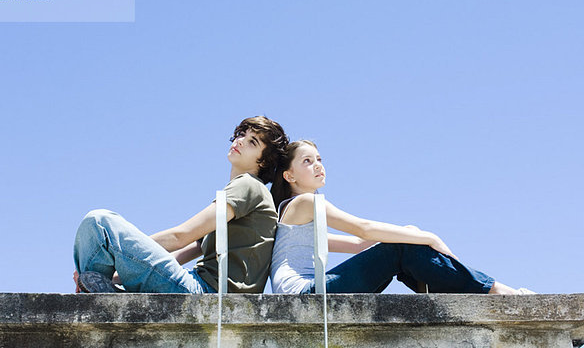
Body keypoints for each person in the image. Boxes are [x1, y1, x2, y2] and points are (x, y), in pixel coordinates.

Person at [270, 140, 534, 295]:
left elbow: (360, 246)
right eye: (306, 161)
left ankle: (460, 289)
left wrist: (410, 232)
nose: (317, 164)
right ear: (289, 176)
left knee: (403, 246)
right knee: (401, 248)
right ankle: (496, 291)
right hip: (305, 294)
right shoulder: (304, 203)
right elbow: (363, 229)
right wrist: (427, 237)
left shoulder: (299, 221)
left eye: (319, 158)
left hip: (310, 291)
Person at [73, 116, 288, 294]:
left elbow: (181, 236)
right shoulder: (244, 193)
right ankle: (101, 291)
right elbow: (183, 253)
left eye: (253, 142)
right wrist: (115, 274)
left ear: (264, 161)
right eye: (242, 134)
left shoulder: (248, 186)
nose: (240, 141)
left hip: (204, 291)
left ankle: (97, 294)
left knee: (99, 224)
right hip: (198, 286)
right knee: (100, 269)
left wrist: (117, 253)